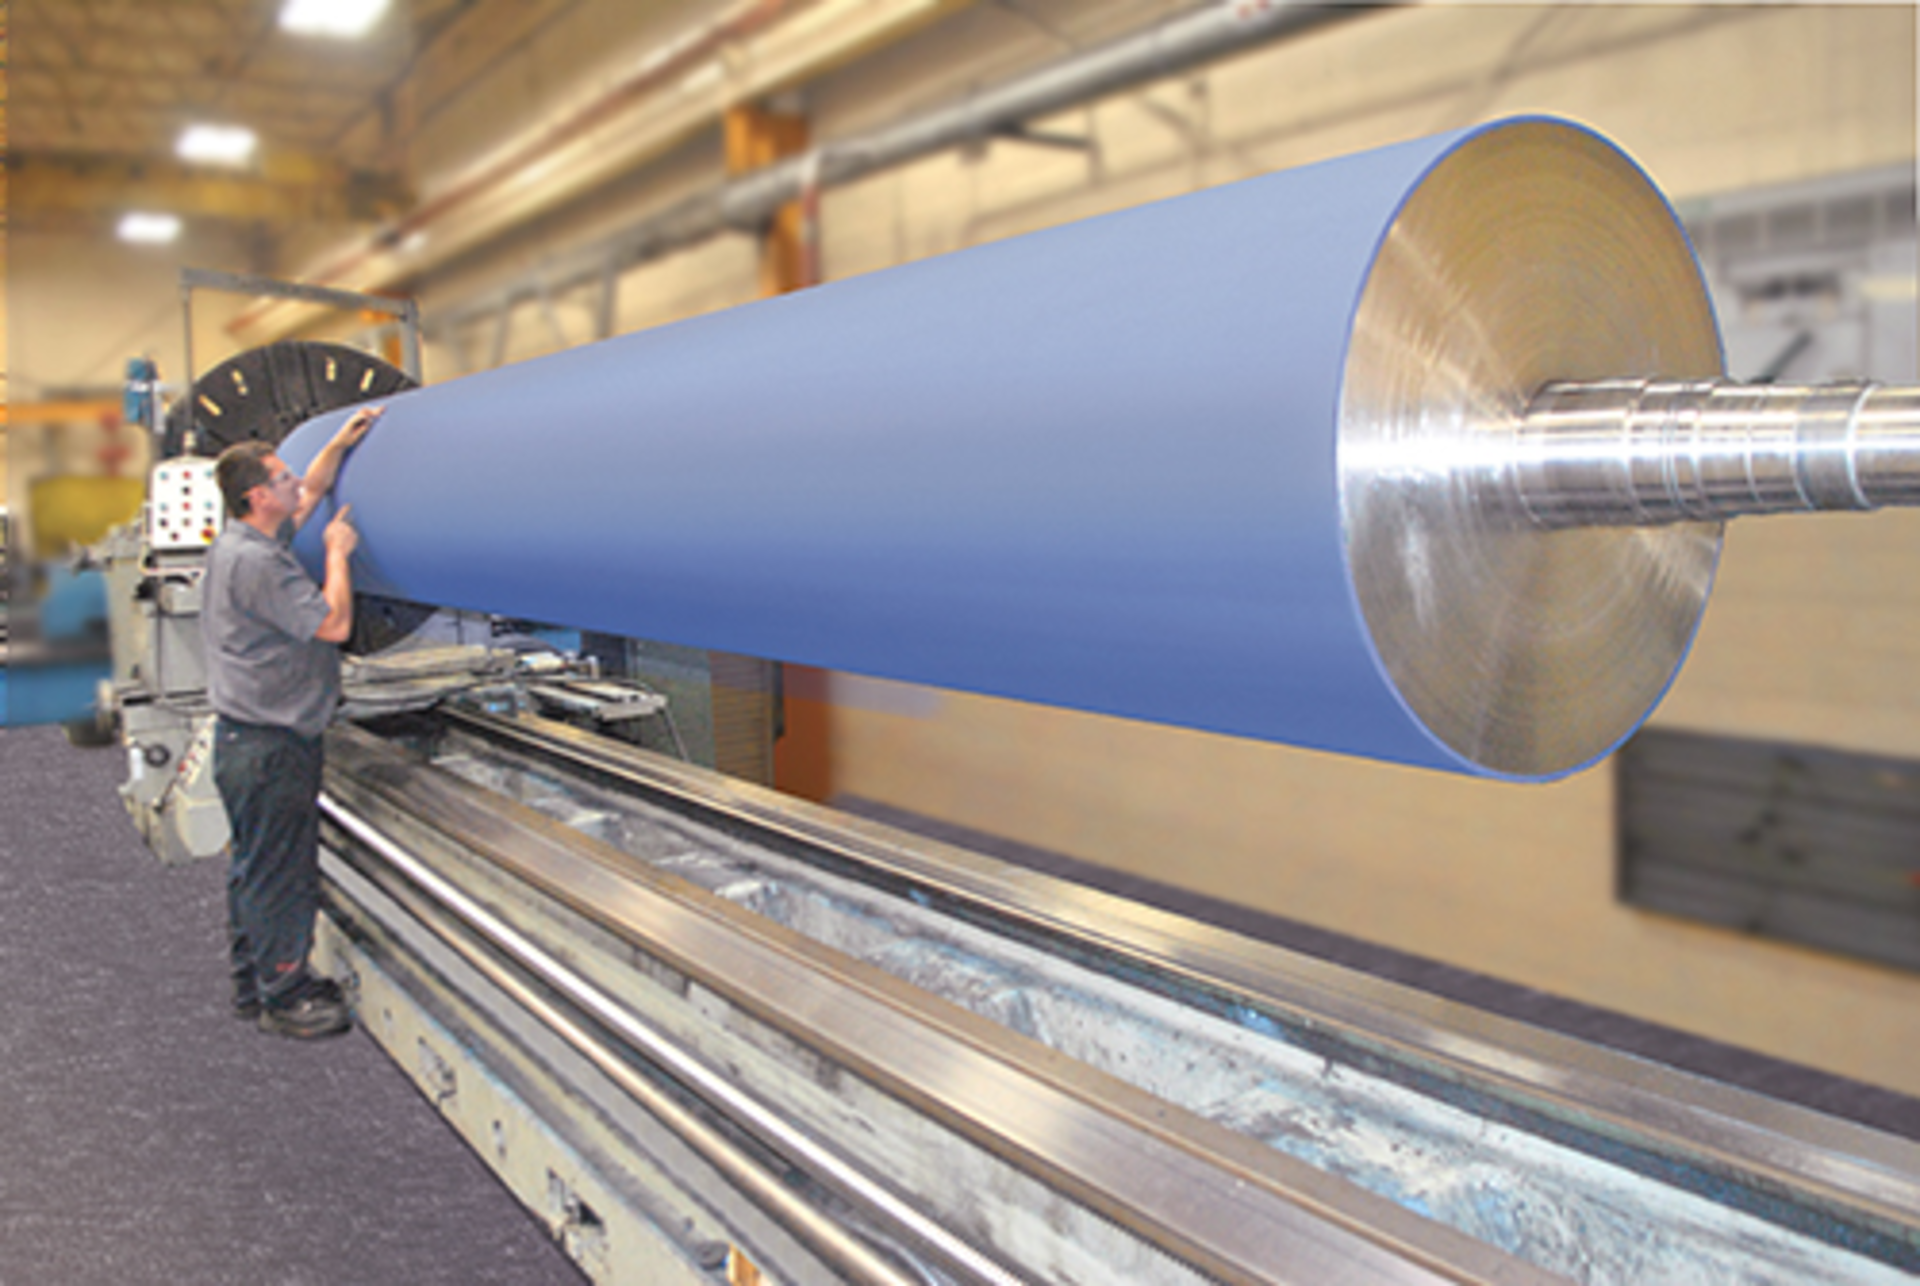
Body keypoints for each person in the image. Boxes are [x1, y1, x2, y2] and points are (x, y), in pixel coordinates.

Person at [203, 405, 381, 1039]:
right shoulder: (260, 564)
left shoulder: (246, 540)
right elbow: (333, 625)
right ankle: (286, 994)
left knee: (253, 864)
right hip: (271, 745)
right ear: (258, 496)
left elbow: (310, 494)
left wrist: (338, 443)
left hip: (247, 738)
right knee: (281, 870)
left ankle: (253, 983)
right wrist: (337, 554)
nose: (295, 485)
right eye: (283, 478)